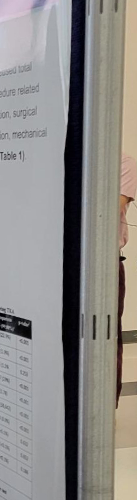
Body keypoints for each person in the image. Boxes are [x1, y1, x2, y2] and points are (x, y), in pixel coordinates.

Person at [118, 152, 136, 404]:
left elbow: (104, 208)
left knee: (106, 337)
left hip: (101, 265)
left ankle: (105, 408)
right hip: (53, 263)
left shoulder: (123, 162)